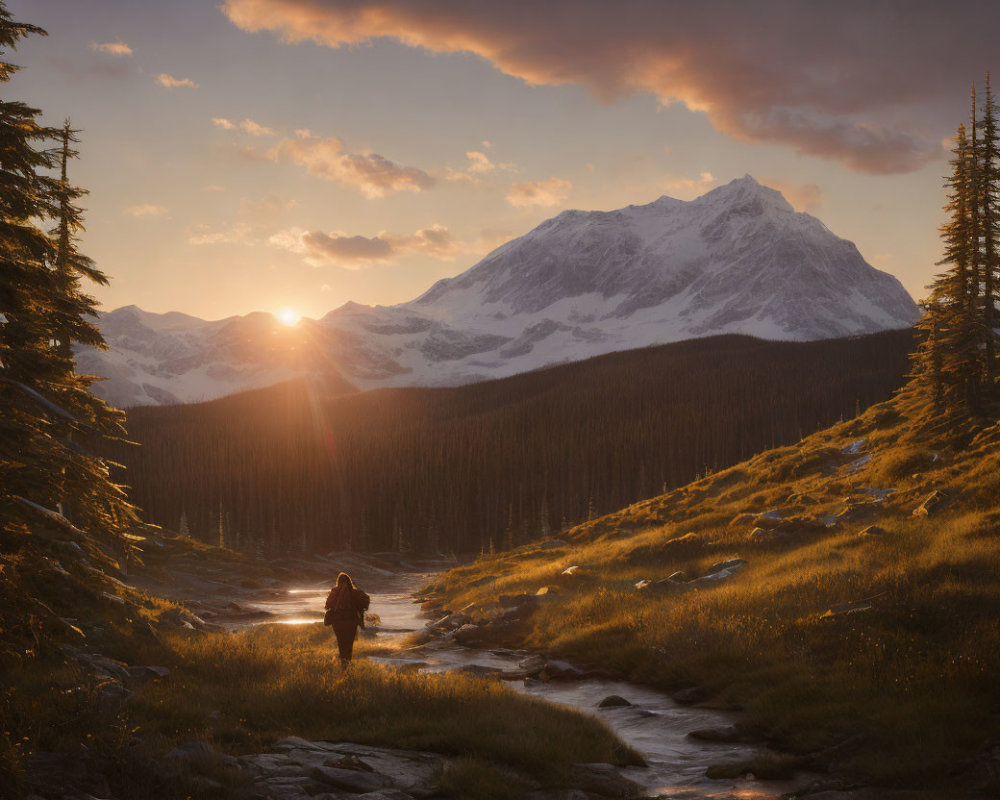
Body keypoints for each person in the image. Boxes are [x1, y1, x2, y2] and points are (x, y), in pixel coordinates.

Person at [324, 572, 370, 666]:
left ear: (338, 581)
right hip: (351, 621)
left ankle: (343, 663)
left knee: (341, 643)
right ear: (350, 582)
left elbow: (327, 606)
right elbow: (365, 603)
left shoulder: (334, 591)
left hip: (338, 622)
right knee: (349, 643)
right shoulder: (356, 593)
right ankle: (347, 663)